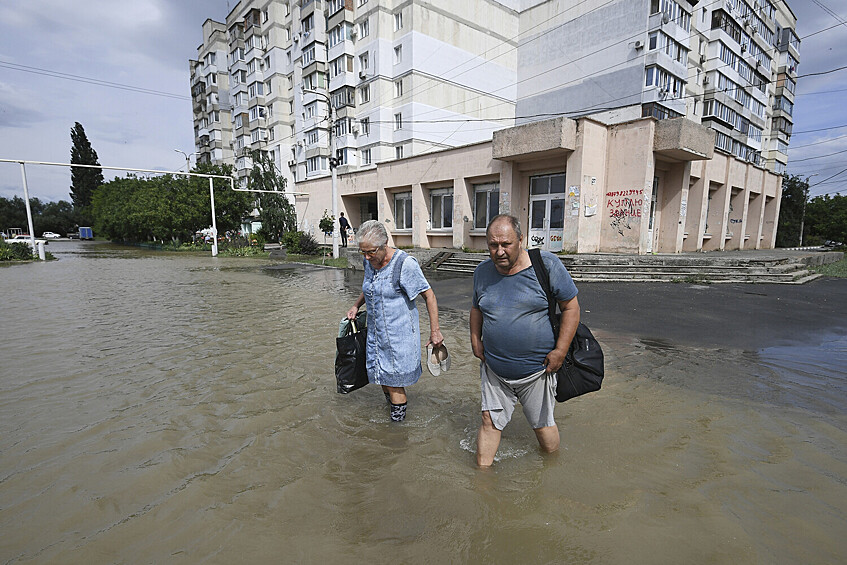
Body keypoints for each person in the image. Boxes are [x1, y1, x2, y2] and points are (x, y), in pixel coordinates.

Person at [470, 214, 580, 467]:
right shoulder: (482, 272)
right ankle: (482, 479)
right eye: (492, 245)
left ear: (521, 240)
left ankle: (553, 468)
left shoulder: (547, 265)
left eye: (505, 244)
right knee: (488, 420)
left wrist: (561, 351)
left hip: (537, 370)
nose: (498, 251)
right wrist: (475, 340)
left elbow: (571, 308)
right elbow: (476, 308)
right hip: (495, 369)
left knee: (542, 425)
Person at [346, 220, 444, 422]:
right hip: (376, 334)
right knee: (381, 377)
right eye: (362, 252)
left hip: (399, 337)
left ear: (384, 244)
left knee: (394, 382)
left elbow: (429, 296)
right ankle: (389, 413)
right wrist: (356, 305)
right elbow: (370, 288)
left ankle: (396, 432)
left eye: (371, 252)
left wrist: (435, 331)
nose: (366, 257)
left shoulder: (405, 264)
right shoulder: (369, 261)